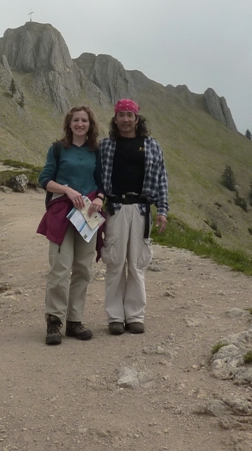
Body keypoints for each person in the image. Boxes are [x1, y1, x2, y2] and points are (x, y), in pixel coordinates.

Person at [37, 106, 105, 345]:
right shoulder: (57, 149)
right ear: (69, 123)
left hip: (88, 214)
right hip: (62, 212)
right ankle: (54, 320)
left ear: (90, 124)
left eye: (84, 120)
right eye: (76, 120)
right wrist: (66, 189)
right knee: (60, 267)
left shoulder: (95, 152)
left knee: (84, 268)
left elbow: (101, 182)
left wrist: (99, 198)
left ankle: (75, 321)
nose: (80, 124)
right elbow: (44, 179)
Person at [99, 98, 168, 335]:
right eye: (121, 115)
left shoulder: (151, 145)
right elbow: (98, 177)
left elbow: (161, 179)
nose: (126, 120)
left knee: (137, 264)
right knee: (115, 262)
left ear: (137, 118)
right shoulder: (107, 145)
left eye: (130, 115)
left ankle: (135, 316)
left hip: (141, 209)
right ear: (115, 119)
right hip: (115, 208)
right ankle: (115, 317)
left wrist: (162, 210)